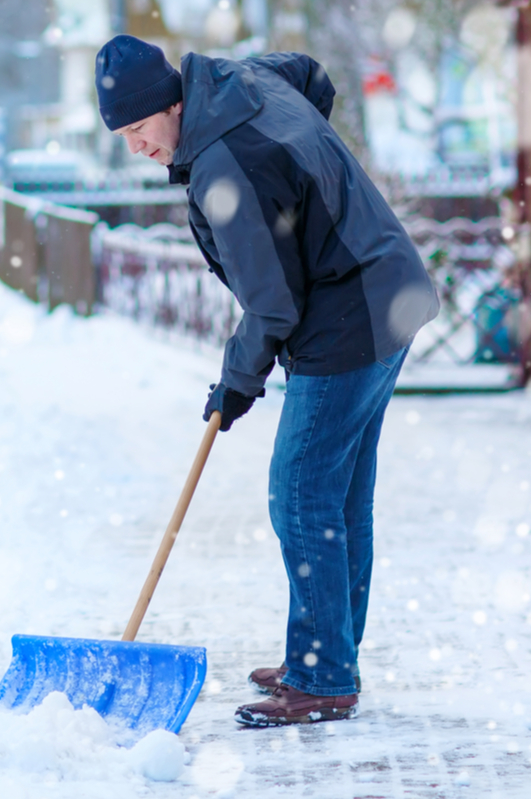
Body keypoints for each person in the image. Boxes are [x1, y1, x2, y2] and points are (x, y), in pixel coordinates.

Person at [94, 35, 438, 727]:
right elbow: (310, 75)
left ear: (171, 104)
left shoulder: (228, 167)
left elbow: (273, 303)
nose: (135, 148)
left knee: (302, 495)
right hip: (385, 291)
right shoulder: (239, 85)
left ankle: (323, 675)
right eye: (122, 136)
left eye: (138, 129)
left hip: (349, 321)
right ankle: (328, 653)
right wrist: (310, 173)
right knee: (337, 499)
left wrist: (237, 381)